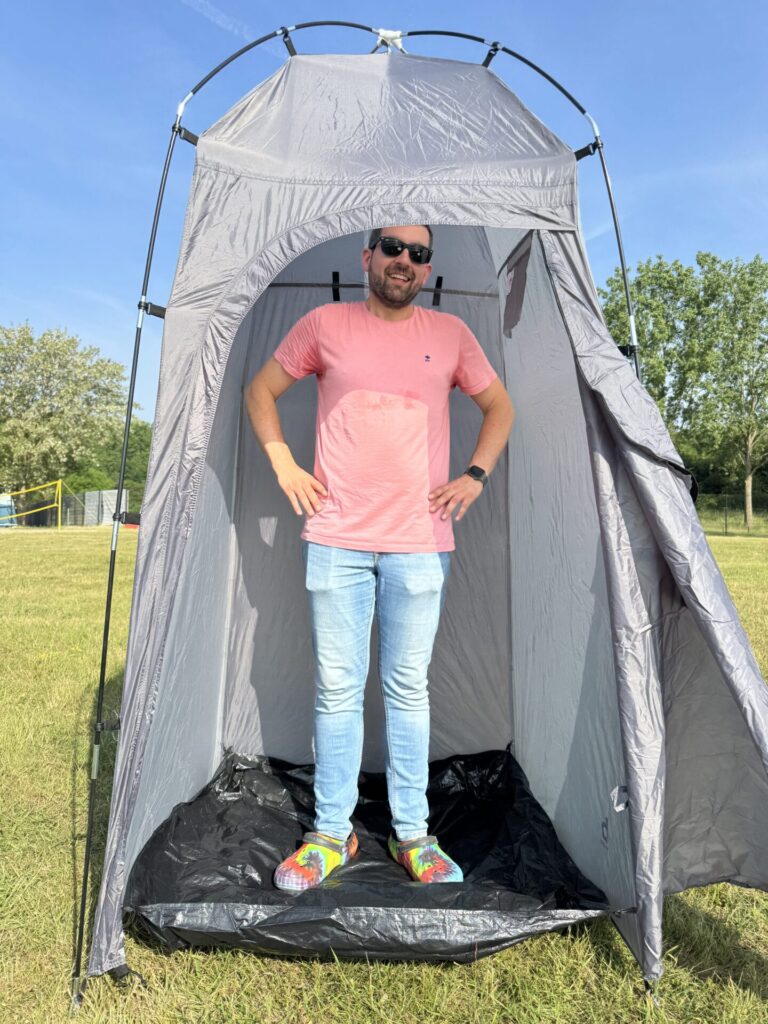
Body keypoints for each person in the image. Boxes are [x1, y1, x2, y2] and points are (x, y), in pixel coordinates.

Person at [246, 225, 514, 891]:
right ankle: (330, 835)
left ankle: (413, 835)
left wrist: (475, 476)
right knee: (337, 689)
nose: (405, 261)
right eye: (393, 248)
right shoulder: (323, 324)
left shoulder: (451, 335)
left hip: (420, 544)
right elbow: (260, 392)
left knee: (407, 690)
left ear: (427, 269)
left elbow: (499, 407)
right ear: (367, 257)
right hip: (336, 538)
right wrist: (283, 464)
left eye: (419, 254)